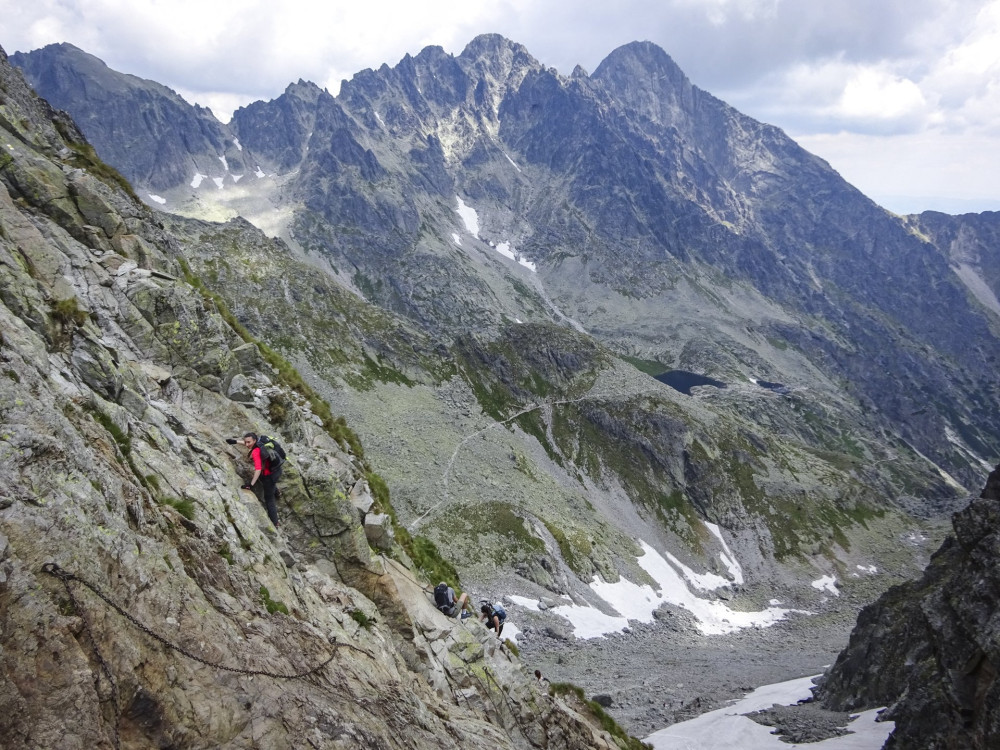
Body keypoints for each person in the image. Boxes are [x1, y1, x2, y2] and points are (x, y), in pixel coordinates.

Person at [227, 432, 281, 527]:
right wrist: (235, 441)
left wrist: (250, 485)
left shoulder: (256, 452)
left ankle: (275, 522)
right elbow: (248, 442)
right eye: (245, 442)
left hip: (270, 475)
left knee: (269, 499)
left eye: (249, 442)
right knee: (265, 480)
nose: (247, 444)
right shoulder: (261, 441)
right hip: (276, 469)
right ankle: (277, 492)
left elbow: (258, 469)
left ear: (254, 441)